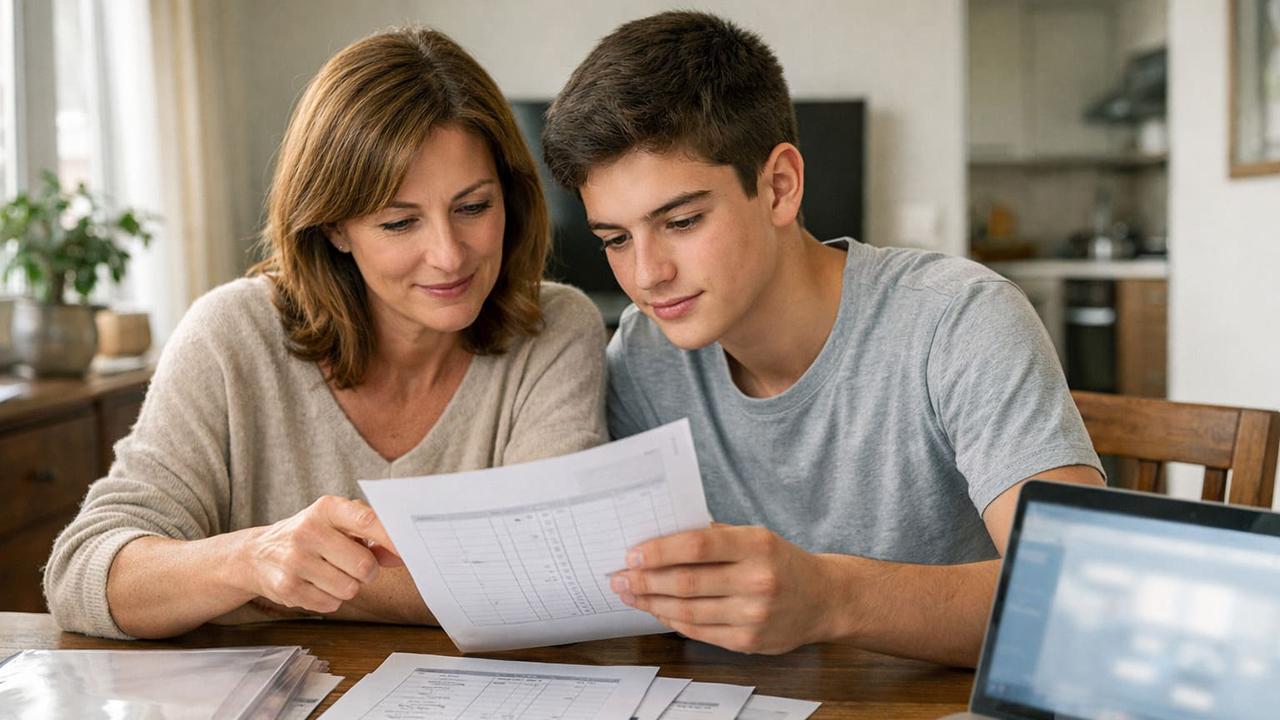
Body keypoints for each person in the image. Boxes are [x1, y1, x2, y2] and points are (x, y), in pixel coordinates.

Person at [541, 11, 1103, 667]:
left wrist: (831, 599)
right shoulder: (643, 353)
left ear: (779, 186)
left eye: (683, 220)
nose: (646, 275)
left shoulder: (958, 320)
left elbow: (1078, 596)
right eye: (614, 240)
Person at [44, 27, 608, 640]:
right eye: (399, 222)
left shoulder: (556, 330)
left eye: (473, 207)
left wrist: (275, 595)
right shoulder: (230, 335)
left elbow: (556, 577)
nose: (449, 255)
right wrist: (251, 558)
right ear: (335, 227)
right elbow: (84, 575)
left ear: (512, 199)